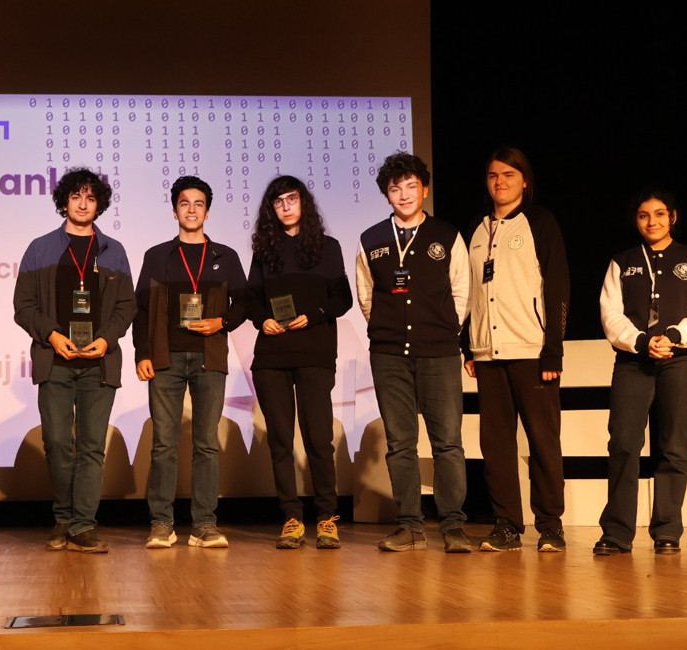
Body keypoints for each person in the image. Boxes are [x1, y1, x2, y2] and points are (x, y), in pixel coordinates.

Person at [14, 168, 135, 554]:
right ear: (64, 201)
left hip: (100, 362)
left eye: (91, 198)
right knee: (56, 442)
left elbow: (127, 305)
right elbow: (23, 306)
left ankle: (82, 525)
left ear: (99, 205)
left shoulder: (113, 250)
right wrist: (51, 335)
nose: (83, 204)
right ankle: (64, 517)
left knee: (92, 445)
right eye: (76, 196)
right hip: (55, 360)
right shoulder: (40, 248)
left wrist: (106, 338)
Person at [357, 153, 474, 553]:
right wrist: (387, 329)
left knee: (448, 443)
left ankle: (453, 526)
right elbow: (367, 297)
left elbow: (462, 291)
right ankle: (409, 525)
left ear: (424, 189)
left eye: (411, 186)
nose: (404, 195)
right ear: (387, 194)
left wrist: (445, 331)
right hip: (388, 354)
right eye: (395, 188)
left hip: (438, 352)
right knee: (400, 444)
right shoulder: (371, 239)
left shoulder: (447, 234)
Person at [595, 191, 687, 556]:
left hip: (681, 360)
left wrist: (675, 336)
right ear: (636, 220)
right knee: (623, 444)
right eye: (644, 215)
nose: (652, 221)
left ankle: (667, 530)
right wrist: (641, 341)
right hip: (633, 361)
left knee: (674, 446)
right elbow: (610, 313)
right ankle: (617, 532)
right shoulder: (622, 261)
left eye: (660, 214)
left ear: (673, 217)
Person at [463, 146, 569, 552]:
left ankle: (550, 526)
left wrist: (553, 350)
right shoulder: (476, 229)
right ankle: (507, 525)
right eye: (493, 175)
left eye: (509, 174)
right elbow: (467, 292)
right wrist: (467, 346)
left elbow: (557, 285)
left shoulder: (540, 222)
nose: (500, 182)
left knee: (543, 441)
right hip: (487, 354)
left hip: (532, 350)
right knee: (496, 446)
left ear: (524, 181)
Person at [134, 176, 246, 549]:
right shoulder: (157, 256)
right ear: (175, 210)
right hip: (164, 359)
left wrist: (221, 321)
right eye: (185, 203)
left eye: (199, 204)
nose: (192, 210)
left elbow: (245, 303)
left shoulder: (225, 256)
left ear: (208, 212)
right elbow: (141, 309)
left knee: (207, 444)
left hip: (209, 357)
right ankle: (161, 524)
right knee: (163, 444)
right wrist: (142, 353)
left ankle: (204, 525)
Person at [245, 176, 352, 549]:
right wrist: (262, 320)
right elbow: (252, 299)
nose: (286, 206)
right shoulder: (265, 250)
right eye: (278, 201)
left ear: (304, 202)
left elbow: (342, 299)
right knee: (280, 441)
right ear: (271, 210)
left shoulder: (327, 247)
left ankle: (326, 518)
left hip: (315, 353)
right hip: (272, 355)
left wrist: (316, 314)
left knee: (319, 439)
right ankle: (291, 518)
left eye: (292, 198)